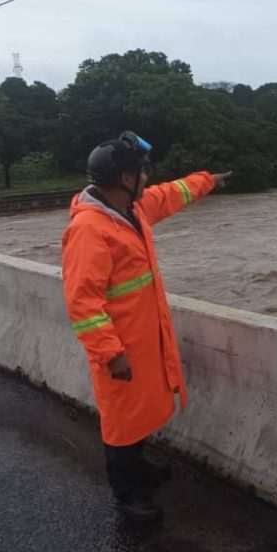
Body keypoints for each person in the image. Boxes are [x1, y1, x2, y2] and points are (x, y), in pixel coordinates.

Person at [61, 131, 231, 521]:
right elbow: (83, 303)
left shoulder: (130, 211)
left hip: (142, 339)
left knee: (140, 412)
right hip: (119, 348)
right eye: (141, 172)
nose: (147, 180)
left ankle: (140, 470)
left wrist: (208, 180)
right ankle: (128, 495)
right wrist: (110, 354)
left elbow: (171, 194)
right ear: (124, 179)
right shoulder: (90, 230)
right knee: (121, 421)